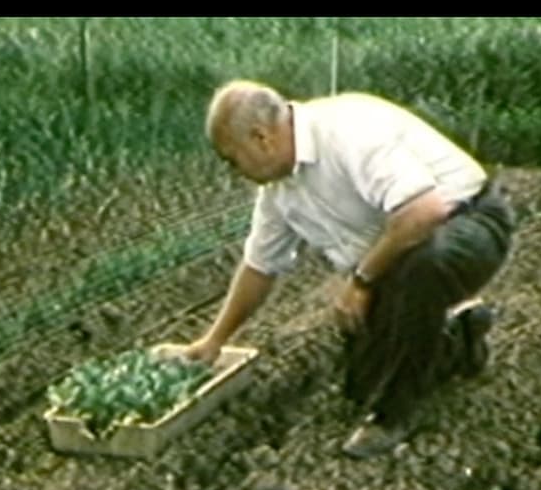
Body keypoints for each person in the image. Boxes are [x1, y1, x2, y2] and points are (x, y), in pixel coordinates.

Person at [186, 81, 514, 459]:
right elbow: (259, 268)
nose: (234, 171)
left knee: (427, 266)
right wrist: (215, 340)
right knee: (361, 384)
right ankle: (460, 337)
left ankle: (394, 416)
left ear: (261, 138)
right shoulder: (278, 191)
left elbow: (425, 212)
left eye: (232, 159)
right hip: (399, 254)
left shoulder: (345, 132)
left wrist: (361, 282)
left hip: (468, 223)